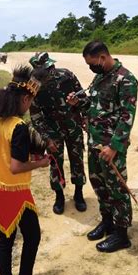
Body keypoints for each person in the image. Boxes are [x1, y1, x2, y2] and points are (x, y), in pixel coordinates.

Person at [67, 40, 138, 253]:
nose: (91, 67)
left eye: (92, 63)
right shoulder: (99, 77)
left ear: (103, 57)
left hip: (111, 147)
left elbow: (127, 116)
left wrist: (115, 146)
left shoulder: (126, 79)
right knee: (99, 184)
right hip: (96, 143)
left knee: (117, 188)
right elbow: (96, 107)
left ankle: (121, 233)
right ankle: (107, 222)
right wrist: (78, 103)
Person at [0, 66, 49, 275]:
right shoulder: (18, 127)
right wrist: (40, 163)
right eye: (30, 101)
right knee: (32, 237)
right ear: (24, 98)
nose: (29, 105)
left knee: (5, 240)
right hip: (15, 192)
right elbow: (15, 166)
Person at [29, 52, 87, 215]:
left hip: (73, 126)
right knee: (55, 163)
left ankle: (79, 193)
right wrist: (46, 138)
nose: (52, 70)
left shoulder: (67, 75)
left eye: (52, 66)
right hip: (52, 131)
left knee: (77, 160)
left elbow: (84, 99)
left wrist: (79, 105)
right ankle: (59, 196)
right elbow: (35, 115)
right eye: (48, 69)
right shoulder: (34, 86)